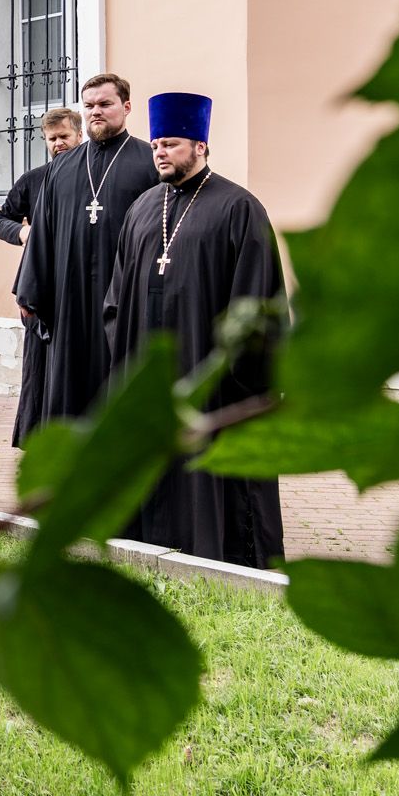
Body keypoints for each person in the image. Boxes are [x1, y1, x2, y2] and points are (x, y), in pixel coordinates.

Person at [106, 93, 287, 569]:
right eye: (156, 145)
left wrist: (239, 373)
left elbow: (257, 301)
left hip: (212, 380)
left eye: (171, 144)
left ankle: (221, 554)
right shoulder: (143, 208)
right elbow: (116, 298)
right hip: (150, 373)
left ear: (200, 146)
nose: (160, 153)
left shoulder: (239, 208)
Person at [18, 73, 157, 436]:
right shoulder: (61, 167)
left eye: (105, 104)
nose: (96, 111)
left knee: (121, 375)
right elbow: (42, 231)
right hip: (70, 296)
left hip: (126, 297)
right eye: (90, 105)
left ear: (126, 107)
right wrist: (30, 291)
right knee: (71, 382)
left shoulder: (149, 162)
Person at [0, 108, 82, 446]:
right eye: (52, 138)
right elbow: (1, 220)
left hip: (80, 285)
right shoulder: (34, 179)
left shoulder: (94, 179)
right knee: (39, 366)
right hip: (40, 285)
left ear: (79, 135)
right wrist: (23, 233)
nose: (59, 143)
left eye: (64, 136)